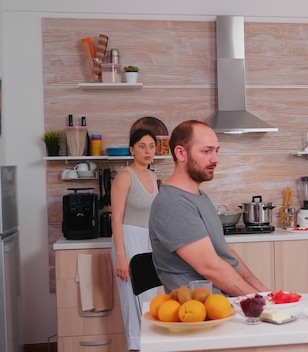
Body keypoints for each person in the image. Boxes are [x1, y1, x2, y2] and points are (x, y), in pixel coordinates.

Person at [149, 120, 269, 296]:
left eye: (216, 151)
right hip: (201, 312)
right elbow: (211, 268)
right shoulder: (172, 203)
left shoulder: (199, 197)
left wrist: (266, 294)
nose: (215, 159)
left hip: (226, 304)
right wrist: (258, 302)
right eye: (206, 151)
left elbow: (225, 253)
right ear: (181, 153)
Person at [110, 128, 158, 352]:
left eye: (151, 146)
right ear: (132, 149)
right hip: (128, 240)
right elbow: (116, 218)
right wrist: (121, 255)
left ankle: (147, 346)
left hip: (148, 241)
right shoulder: (124, 176)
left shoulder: (152, 176)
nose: (147, 151)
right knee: (132, 300)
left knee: (149, 300)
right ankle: (134, 347)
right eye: (142, 146)